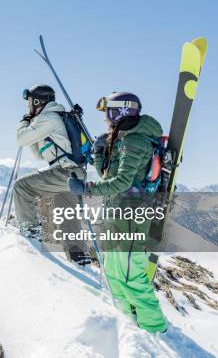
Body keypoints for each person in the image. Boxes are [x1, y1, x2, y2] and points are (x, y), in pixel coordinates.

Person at [68, 91, 168, 334]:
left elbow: (122, 181)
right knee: (113, 272)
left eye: (107, 113)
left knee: (130, 276)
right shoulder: (123, 139)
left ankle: (154, 329)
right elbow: (109, 176)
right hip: (116, 212)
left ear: (120, 112)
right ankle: (129, 324)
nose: (105, 119)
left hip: (131, 216)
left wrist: (87, 188)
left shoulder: (136, 141)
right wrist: (101, 154)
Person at [13, 84, 87, 260]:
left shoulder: (49, 118)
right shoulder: (55, 117)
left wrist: (25, 122)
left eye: (30, 101)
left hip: (64, 172)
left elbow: (20, 139)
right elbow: (39, 155)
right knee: (67, 217)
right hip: (73, 175)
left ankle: (30, 232)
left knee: (21, 187)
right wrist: (33, 130)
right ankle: (78, 257)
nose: (28, 106)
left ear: (38, 101)